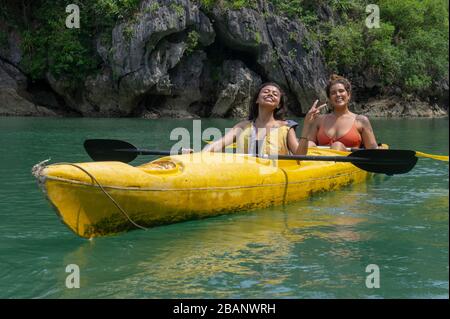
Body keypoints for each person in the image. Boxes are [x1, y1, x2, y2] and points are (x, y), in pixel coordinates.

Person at [203, 82, 322, 155]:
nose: (270, 94)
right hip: (245, 172)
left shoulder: (286, 127)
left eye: (275, 94)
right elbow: (218, 144)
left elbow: (300, 155)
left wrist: (307, 125)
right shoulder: (242, 126)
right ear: (257, 100)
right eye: (266, 92)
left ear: (279, 104)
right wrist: (200, 155)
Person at [307, 74, 379, 151]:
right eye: (333, 93)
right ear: (329, 98)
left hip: (350, 161)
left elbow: (372, 150)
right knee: (308, 144)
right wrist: (307, 122)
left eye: (341, 91)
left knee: (337, 146)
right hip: (321, 161)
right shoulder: (319, 120)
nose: (338, 95)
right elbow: (307, 143)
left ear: (348, 95)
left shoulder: (361, 121)